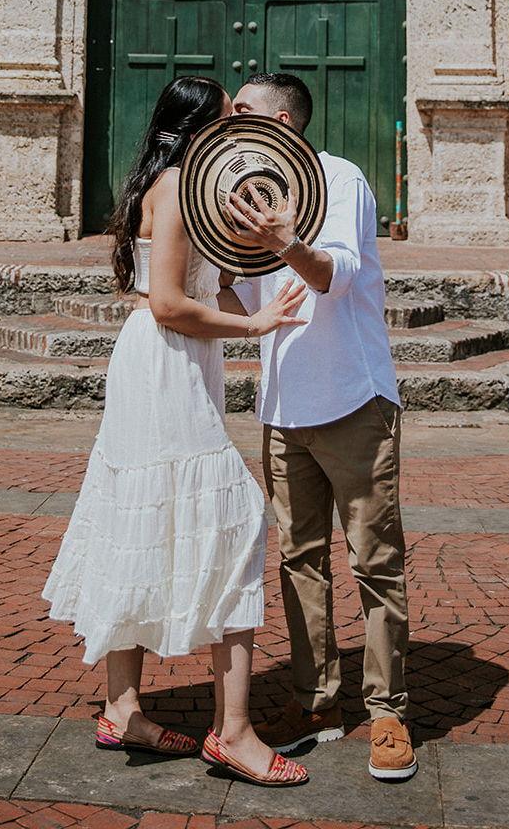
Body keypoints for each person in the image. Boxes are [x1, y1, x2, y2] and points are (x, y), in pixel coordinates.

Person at [42, 75, 312, 788]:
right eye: (225, 119)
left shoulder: (179, 188)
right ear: (198, 127)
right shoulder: (175, 192)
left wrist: (266, 263)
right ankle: (234, 733)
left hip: (173, 364)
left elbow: (201, 285)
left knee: (143, 523)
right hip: (165, 362)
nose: (236, 130)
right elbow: (166, 303)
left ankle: (124, 709)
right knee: (238, 520)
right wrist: (254, 324)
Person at [224, 72, 417, 784]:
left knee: (374, 560)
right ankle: (318, 703)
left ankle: (388, 710)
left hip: (352, 399)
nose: (229, 121)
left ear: (281, 120)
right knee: (300, 561)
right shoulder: (241, 192)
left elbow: (335, 271)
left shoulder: (340, 178)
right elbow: (240, 294)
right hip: (281, 408)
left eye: (240, 111)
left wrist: (286, 240)